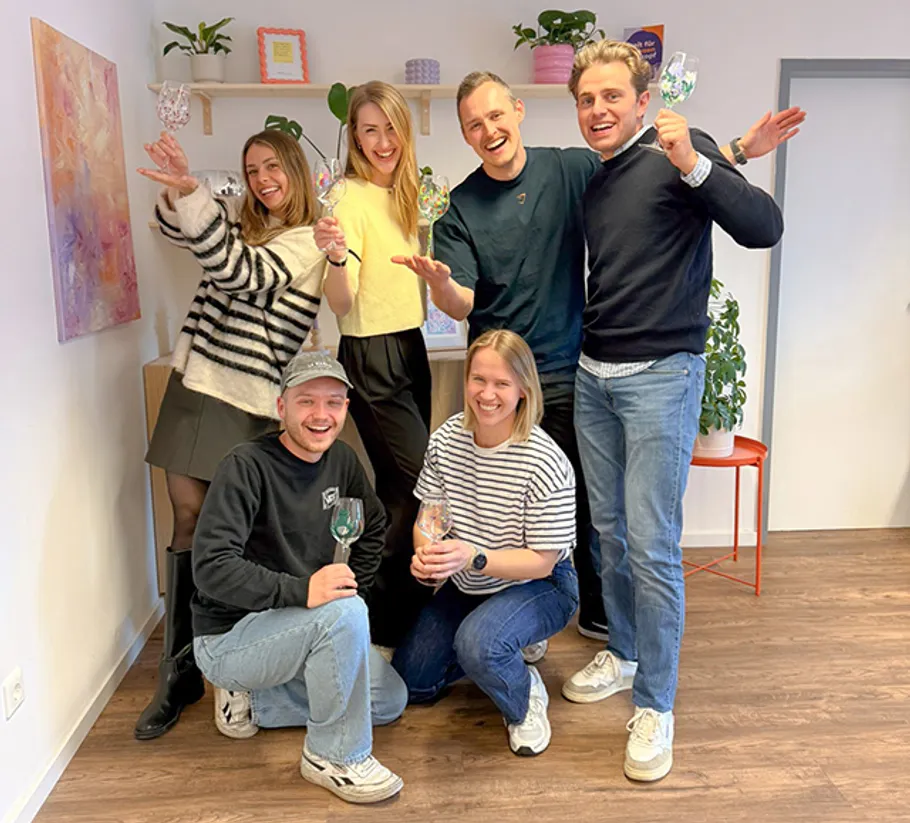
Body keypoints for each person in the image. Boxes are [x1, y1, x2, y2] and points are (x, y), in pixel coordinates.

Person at [393, 71, 804, 646]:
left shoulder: (569, 168)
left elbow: (652, 175)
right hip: (498, 384)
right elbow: (461, 301)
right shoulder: (459, 208)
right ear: (464, 135)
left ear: (517, 110)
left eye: (495, 115)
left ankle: (597, 616)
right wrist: (439, 285)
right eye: (473, 125)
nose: (488, 130)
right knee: (507, 499)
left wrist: (735, 150)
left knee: (590, 508)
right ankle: (522, 614)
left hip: (569, 370)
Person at [561, 41, 784, 782]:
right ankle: (624, 652)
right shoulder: (596, 182)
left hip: (662, 375)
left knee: (653, 545)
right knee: (609, 533)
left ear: (642, 100)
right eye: (587, 98)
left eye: (611, 96)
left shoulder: (679, 154)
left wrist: (702, 158)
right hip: (594, 376)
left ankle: (655, 702)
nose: (598, 109)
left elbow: (763, 226)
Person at [133, 130, 326, 739]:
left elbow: (242, 275)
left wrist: (194, 197)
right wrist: (181, 193)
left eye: (274, 165)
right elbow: (176, 232)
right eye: (252, 169)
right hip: (194, 382)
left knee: (226, 533)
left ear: (295, 168)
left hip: (243, 400)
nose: (263, 177)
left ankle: (231, 666)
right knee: (183, 518)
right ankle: (179, 668)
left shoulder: (307, 242)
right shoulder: (246, 223)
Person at [191, 351, 406, 804]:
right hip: (233, 635)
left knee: (389, 702)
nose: (321, 415)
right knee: (342, 618)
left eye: (333, 402)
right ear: (281, 407)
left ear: (346, 409)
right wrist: (305, 591)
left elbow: (373, 527)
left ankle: (255, 702)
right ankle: (334, 756)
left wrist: (355, 588)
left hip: (303, 624)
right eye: (307, 401)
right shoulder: (245, 466)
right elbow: (210, 566)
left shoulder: (342, 461)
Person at [392, 330, 578, 757]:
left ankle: (523, 698)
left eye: (502, 383)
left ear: (523, 390)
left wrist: (472, 556)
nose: (487, 394)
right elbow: (430, 518)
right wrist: (426, 551)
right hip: (471, 580)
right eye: (479, 379)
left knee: (479, 645)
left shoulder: (545, 461)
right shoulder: (446, 440)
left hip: (541, 584)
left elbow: (543, 562)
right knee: (413, 683)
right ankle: (505, 642)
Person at [314, 81, 435, 648]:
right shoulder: (345, 195)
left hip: (411, 346)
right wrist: (336, 257)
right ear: (354, 137)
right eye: (369, 130)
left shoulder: (412, 192)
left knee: (405, 487)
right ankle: (381, 627)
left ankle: (399, 616)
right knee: (413, 487)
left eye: (390, 128)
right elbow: (342, 302)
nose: (382, 141)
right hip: (369, 352)